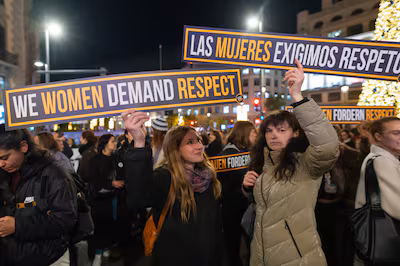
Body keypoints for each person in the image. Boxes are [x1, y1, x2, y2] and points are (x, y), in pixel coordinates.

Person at [243, 60, 339, 266]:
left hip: (299, 259)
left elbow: (328, 146)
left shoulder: (305, 164)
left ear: (295, 133)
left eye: (281, 130)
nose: (274, 135)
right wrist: (248, 187)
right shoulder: (264, 164)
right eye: (269, 130)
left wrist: (297, 97)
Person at [123, 111, 225, 266]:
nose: (199, 146)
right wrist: (139, 143)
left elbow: (216, 228)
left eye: (198, 140)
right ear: (175, 149)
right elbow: (138, 199)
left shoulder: (208, 177)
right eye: (190, 142)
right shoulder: (164, 177)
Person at [0, 126, 78, 266]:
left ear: (23, 146)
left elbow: (65, 220)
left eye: (5, 157)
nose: (1, 164)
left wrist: (18, 225)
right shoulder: (4, 176)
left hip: (49, 258)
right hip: (12, 257)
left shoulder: (53, 174)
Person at [218, 121, 257, 266]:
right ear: (245, 134)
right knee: (233, 244)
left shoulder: (245, 151)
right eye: (254, 133)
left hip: (243, 205)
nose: (256, 136)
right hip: (233, 208)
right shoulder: (230, 153)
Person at [86, 134, 124, 266]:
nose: (115, 143)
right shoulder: (95, 160)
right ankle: (98, 254)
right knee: (101, 226)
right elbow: (93, 181)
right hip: (100, 200)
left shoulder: (116, 158)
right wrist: (111, 184)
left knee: (111, 224)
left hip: (115, 198)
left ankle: (107, 247)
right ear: (105, 143)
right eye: (112, 141)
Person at [355, 117, 400, 224]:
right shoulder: (382, 160)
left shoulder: (383, 158)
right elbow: (396, 205)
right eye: (395, 133)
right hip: (387, 229)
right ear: (378, 136)